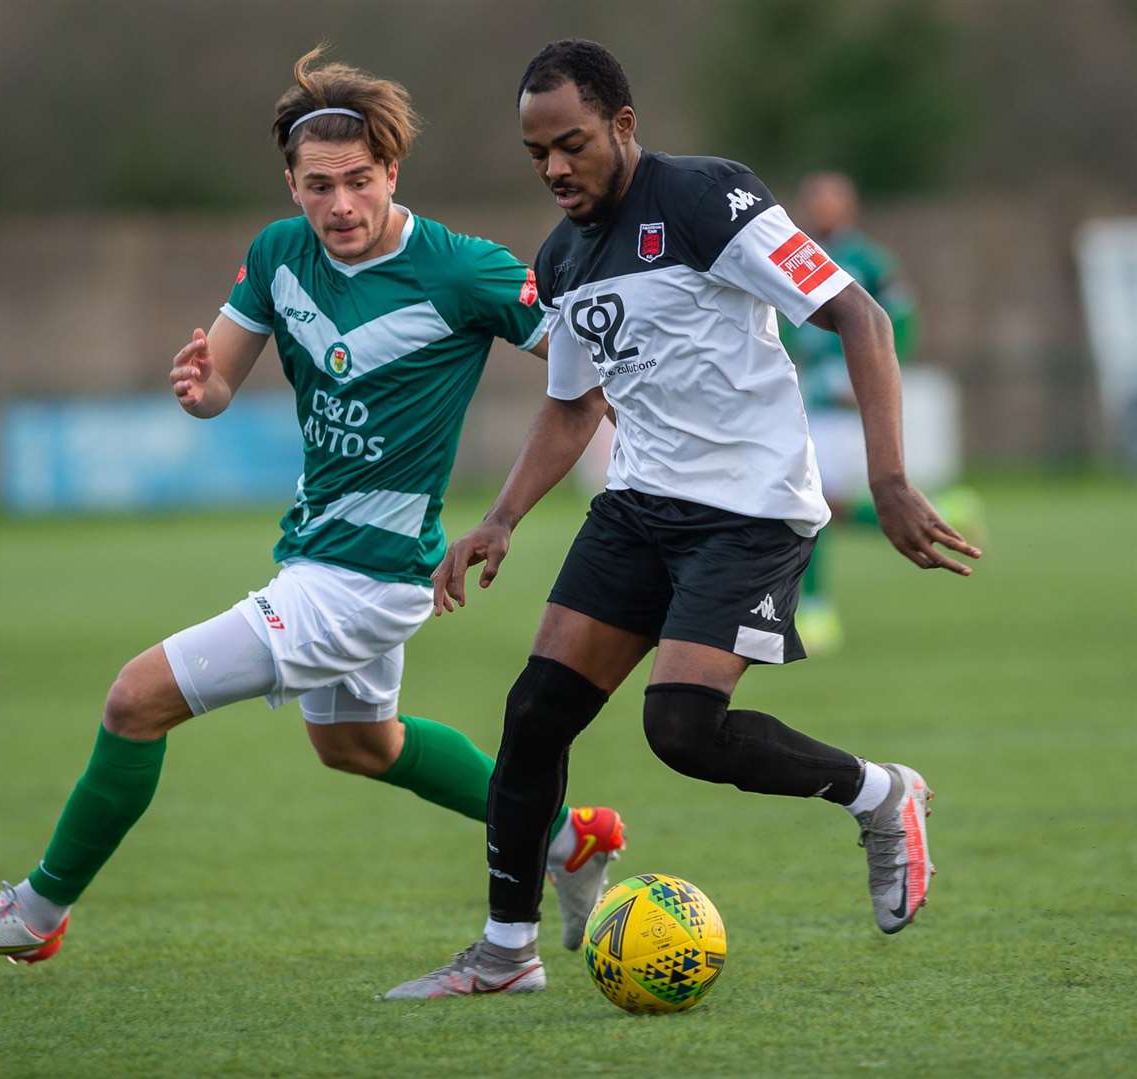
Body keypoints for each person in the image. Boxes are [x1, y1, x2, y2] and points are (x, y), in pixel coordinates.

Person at [0, 47, 625, 966]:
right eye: (318, 185)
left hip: (367, 577)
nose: (341, 206)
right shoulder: (279, 255)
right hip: (318, 555)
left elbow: (586, 376)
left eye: (359, 181)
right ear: (290, 183)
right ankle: (571, 838)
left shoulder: (463, 270)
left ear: (391, 171)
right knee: (361, 745)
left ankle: (33, 916)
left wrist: (512, 510)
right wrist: (200, 387)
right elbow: (217, 383)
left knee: (135, 700)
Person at [384, 39, 980, 1000]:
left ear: (622, 125)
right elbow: (574, 405)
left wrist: (891, 479)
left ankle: (881, 795)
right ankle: (504, 953)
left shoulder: (708, 199)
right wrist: (499, 518)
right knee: (535, 715)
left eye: (571, 144)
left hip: (746, 515)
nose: (554, 169)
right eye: (536, 153)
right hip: (635, 508)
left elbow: (858, 316)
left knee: (683, 732)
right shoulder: (563, 253)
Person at [783, 172, 978, 654]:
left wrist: (878, 375)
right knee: (823, 507)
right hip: (811, 399)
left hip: (848, 406)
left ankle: (815, 610)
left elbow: (898, 319)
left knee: (815, 505)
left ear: (849, 208)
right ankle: (945, 513)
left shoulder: (869, 261)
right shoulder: (790, 256)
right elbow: (782, 324)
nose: (821, 209)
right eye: (815, 200)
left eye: (831, 201)